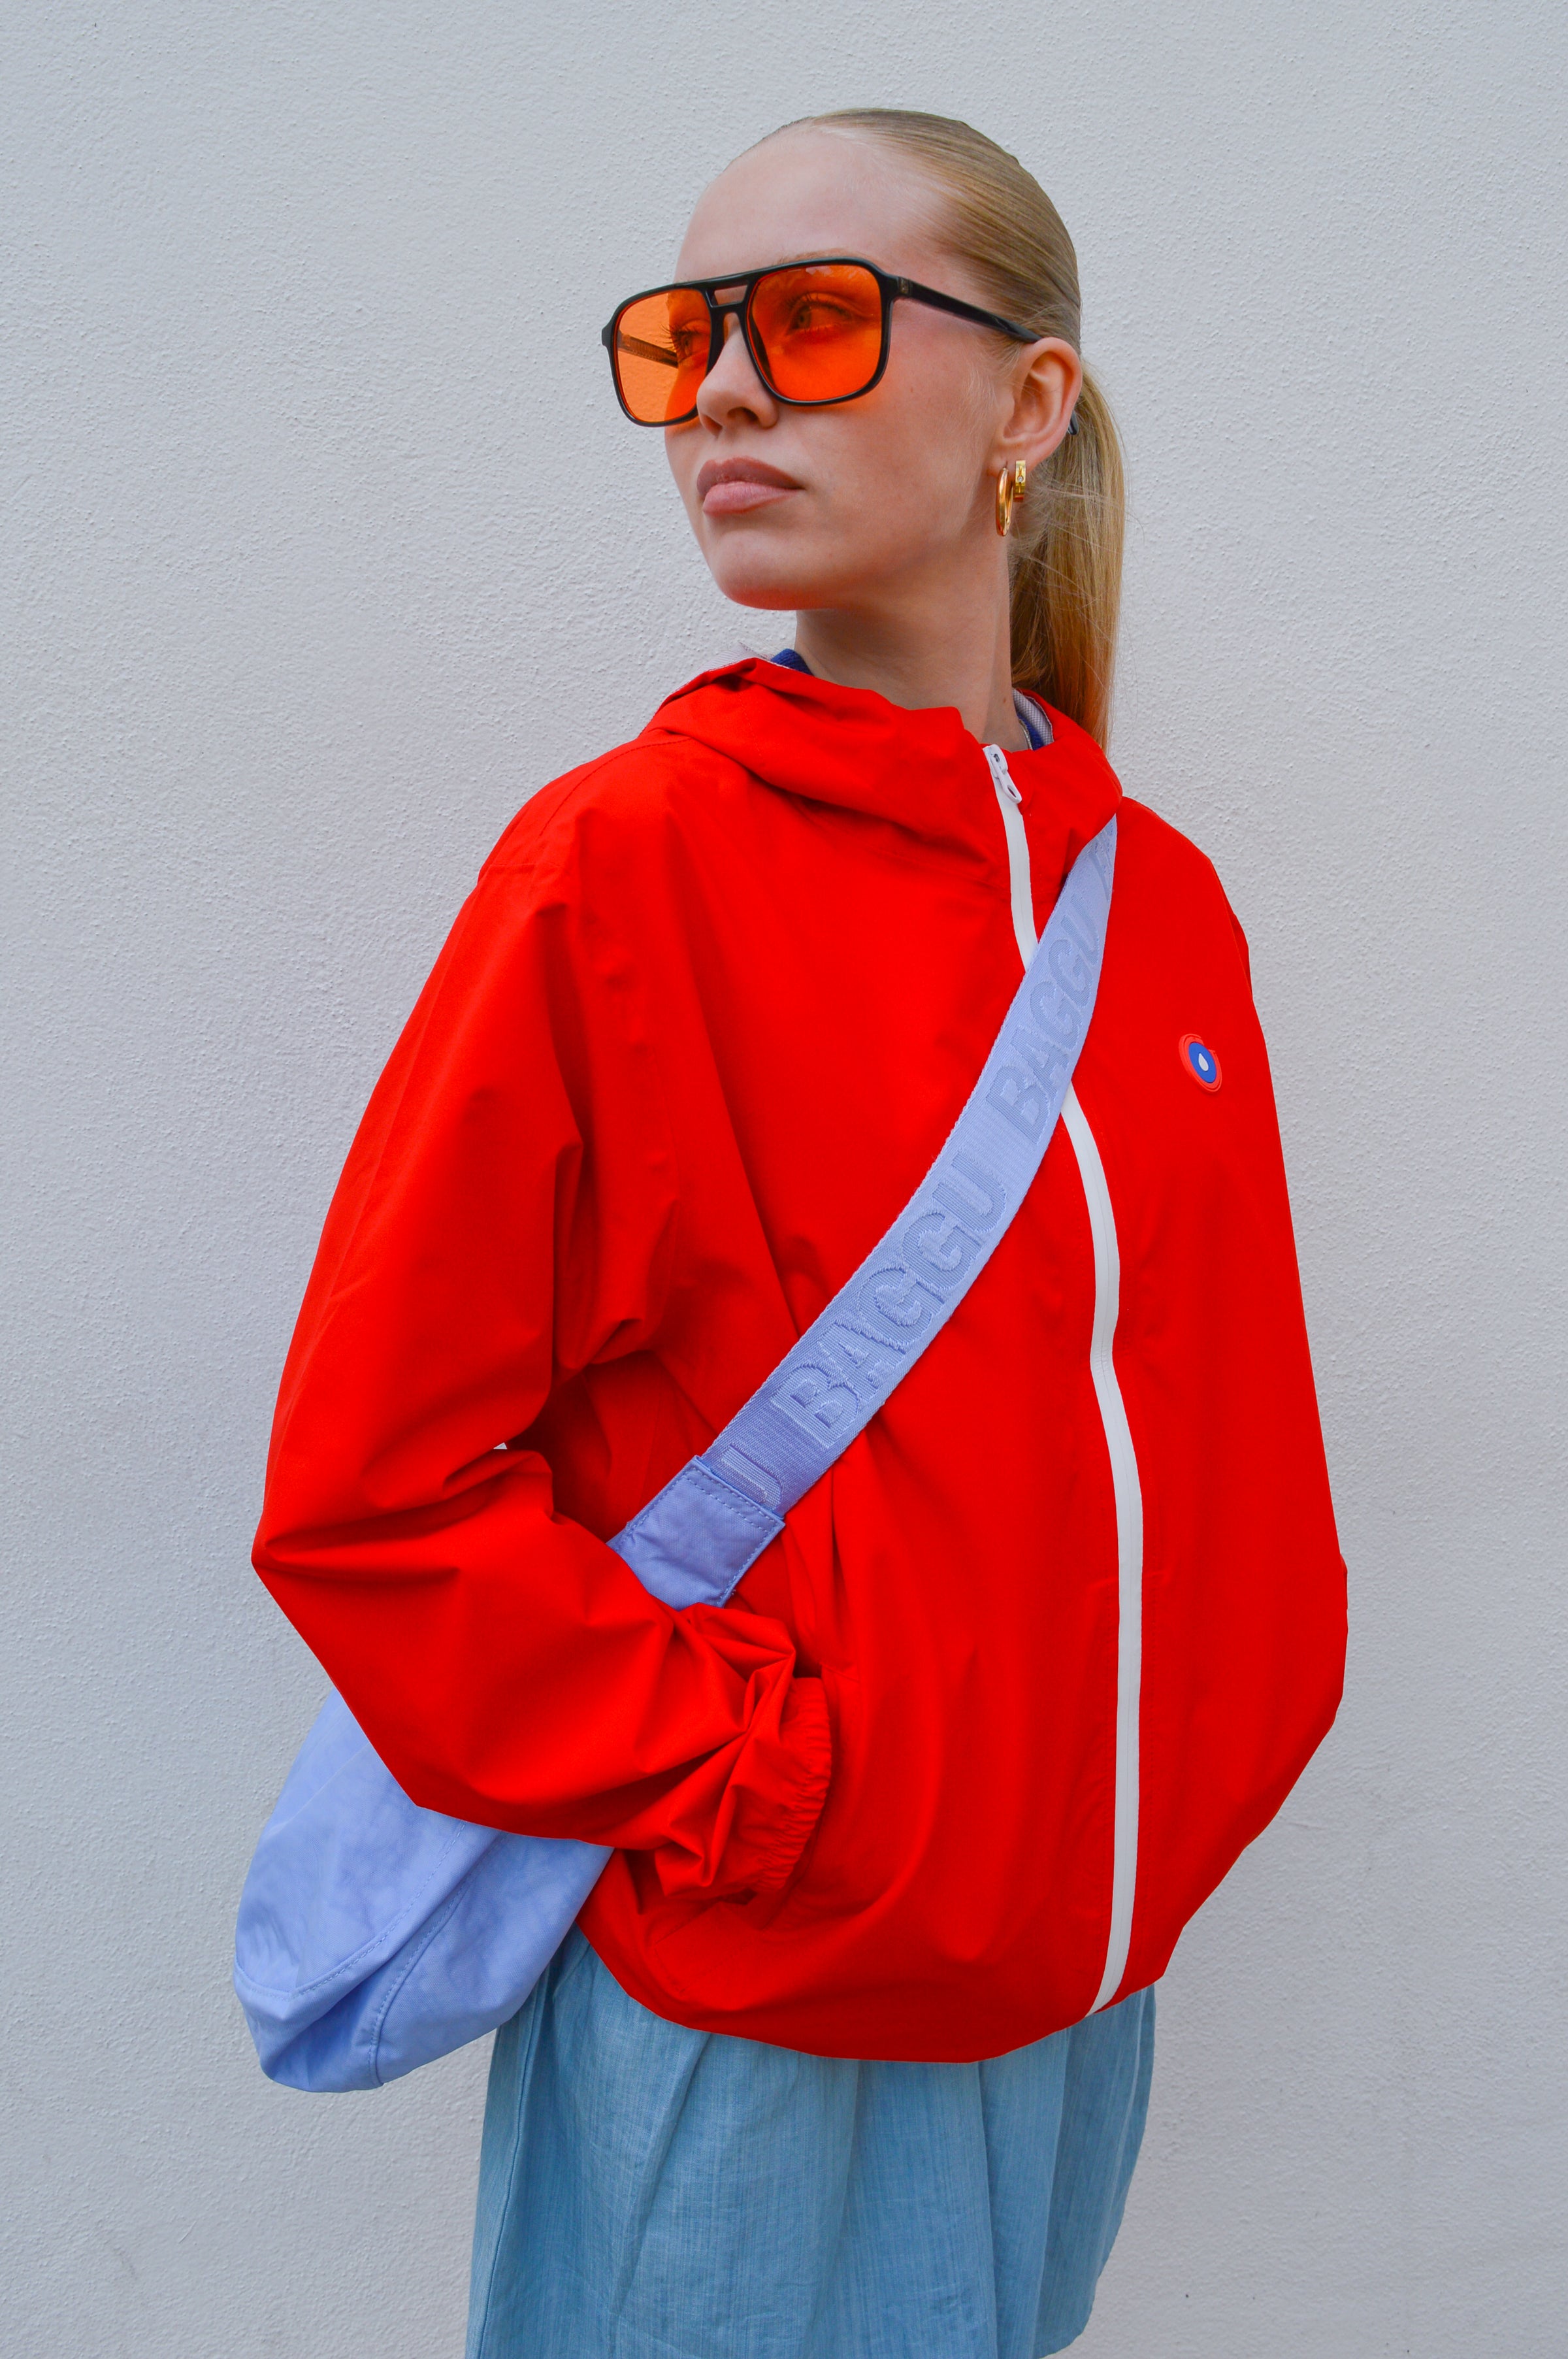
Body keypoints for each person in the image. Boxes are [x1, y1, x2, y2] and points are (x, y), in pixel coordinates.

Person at [253, 108, 1345, 2359]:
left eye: (818, 318)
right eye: (688, 340)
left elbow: (1232, 1431)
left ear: (1029, 402)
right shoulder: (620, 872)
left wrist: (1199, 1762)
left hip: (1078, 2002)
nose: (730, 388)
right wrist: (771, 1795)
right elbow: (373, 1493)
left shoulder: (1163, 913)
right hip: (762, 2007)